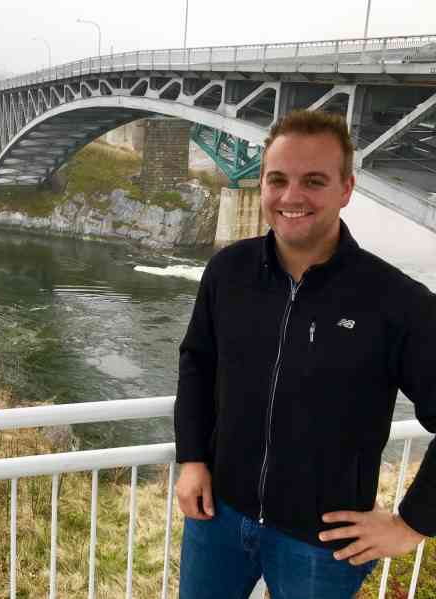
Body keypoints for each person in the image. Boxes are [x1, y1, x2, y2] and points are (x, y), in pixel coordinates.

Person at [173, 109, 436, 599]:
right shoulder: (227, 271)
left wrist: (412, 523)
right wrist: (191, 459)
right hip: (217, 517)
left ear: (346, 189)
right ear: (263, 184)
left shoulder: (398, 302)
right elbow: (197, 364)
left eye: (313, 181)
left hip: (323, 543)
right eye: (278, 179)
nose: (292, 197)